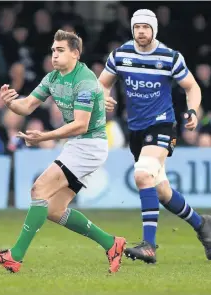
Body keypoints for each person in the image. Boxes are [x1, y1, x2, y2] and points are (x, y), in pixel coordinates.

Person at [0, 30, 126, 274]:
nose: (54, 55)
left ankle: (15, 256)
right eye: (53, 50)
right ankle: (111, 243)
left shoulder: (85, 81)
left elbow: (81, 124)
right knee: (53, 209)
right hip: (79, 144)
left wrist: (44, 136)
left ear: (75, 54)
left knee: (39, 189)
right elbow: (26, 106)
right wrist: (9, 103)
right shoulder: (52, 78)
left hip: (90, 144)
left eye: (60, 50)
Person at [98, 9, 211, 264]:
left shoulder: (170, 57)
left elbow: (192, 86)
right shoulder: (121, 55)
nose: (140, 32)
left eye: (145, 27)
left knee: (141, 174)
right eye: (137, 27)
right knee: (161, 191)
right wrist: (103, 95)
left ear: (154, 30)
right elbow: (103, 82)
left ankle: (149, 245)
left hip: (162, 125)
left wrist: (192, 110)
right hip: (136, 130)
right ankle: (202, 223)